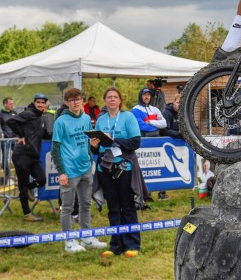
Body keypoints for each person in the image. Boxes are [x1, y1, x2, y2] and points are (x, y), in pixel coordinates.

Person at [52, 88, 107, 252]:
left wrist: (90, 157)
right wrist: (61, 171)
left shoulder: (86, 118)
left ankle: (86, 237)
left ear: (82, 100)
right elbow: (55, 149)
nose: (76, 102)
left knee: (86, 204)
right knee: (67, 207)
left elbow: (86, 140)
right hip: (69, 170)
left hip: (85, 168)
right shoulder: (60, 122)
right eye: (72, 100)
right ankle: (69, 241)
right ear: (67, 102)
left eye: (78, 99)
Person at [92, 88, 142, 258]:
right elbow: (97, 147)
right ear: (105, 101)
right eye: (109, 97)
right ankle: (115, 246)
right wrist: (94, 145)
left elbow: (136, 142)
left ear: (120, 101)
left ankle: (132, 244)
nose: (112, 100)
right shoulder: (101, 119)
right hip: (105, 167)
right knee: (113, 207)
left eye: (115, 97)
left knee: (127, 206)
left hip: (124, 168)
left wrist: (114, 141)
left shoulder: (128, 117)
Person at [7, 94, 52, 221]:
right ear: (34, 103)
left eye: (42, 102)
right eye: (38, 102)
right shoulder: (28, 113)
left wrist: (59, 135)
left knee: (42, 180)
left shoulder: (41, 118)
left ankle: (29, 189)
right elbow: (11, 121)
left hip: (34, 156)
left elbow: (46, 135)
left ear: (45, 105)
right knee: (23, 184)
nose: (40, 104)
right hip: (22, 154)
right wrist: (21, 135)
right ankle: (27, 214)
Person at [1, 97, 19, 184]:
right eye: (10, 103)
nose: (12, 105)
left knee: (18, 157)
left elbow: (19, 124)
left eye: (13, 103)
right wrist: (2, 134)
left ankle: (18, 176)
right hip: (5, 140)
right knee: (5, 159)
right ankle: (7, 177)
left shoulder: (15, 113)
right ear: (5, 105)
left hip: (15, 139)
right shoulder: (1, 114)